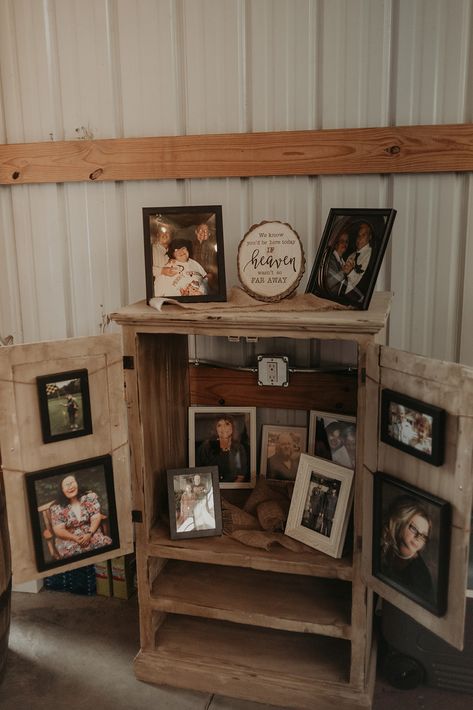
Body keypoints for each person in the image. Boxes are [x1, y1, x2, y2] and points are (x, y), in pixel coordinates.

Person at [380, 495, 435, 605]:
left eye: (424, 536)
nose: (418, 537)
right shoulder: (385, 548)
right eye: (414, 528)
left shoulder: (420, 576)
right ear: (400, 524)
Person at [50, 474, 112, 559]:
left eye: (72, 482)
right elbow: (58, 530)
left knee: (102, 545)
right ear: (62, 490)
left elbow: (96, 517)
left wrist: (89, 534)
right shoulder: (56, 508)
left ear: (77, 483)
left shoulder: (89, 497)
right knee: (74, 555)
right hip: (69, 538)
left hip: (91, 532)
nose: (70, 486)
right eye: (66, 485)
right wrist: (75, 538)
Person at [196, 415, 249, 483]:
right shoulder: (206, 447)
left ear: (232, 427)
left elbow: (241, 475)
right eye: (219, 425)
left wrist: (230, 489)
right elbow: (199, 472)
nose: (223, 428)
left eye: (227, 424)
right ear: (215, 429)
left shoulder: (239, 448)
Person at [338, 222, 374, 302]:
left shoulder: (372, 255)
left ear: (370, 237)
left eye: (363, 235)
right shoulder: (351, 255)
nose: (359, 238)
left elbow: (366, 283)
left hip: (357, 299)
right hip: (342, 296)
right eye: (358, 235)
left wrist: (350, 272)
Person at [192, 222, 218, 292]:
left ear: (209, 234)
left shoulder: (213, 247)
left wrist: (212, 274)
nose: (203, 232)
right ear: (196, 232)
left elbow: (216, 263)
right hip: (193, 275)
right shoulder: (190, 245)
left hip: (208, 276)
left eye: (206, 231)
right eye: (200, 230)